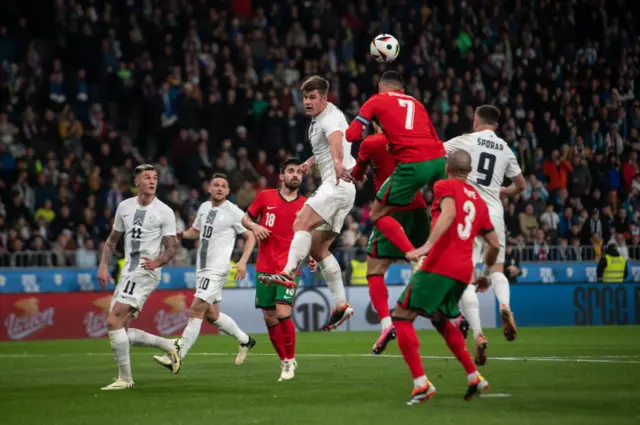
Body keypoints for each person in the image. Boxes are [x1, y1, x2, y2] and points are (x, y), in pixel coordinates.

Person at [395, 149, 499, 405]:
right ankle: (474, 376)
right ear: (470, 171)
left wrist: (426, 246)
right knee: (441, 320)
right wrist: (486, 274)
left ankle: (421, 384)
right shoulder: (479, 201)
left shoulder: (444, 185)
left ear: (447, 168)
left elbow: (449, 213)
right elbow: (494, 244)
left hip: (439, 265)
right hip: (464, 271)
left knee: (401, 316)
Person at [258, 76, 356, 331]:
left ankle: (288, 271)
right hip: (344, 188)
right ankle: (341, 304)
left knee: (300, 223)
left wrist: (337, 162)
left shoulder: (331, 117)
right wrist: (310, 163)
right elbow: (325, 145)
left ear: (325, 98)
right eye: (305, 97)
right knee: (317, 248)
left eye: (313, 97)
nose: (308, 102)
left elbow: (336, 139)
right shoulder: (317, 122)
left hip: (335, 184)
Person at [444, 105, 526, 365]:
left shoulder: (466, 139)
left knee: (466, 277)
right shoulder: (505, 148)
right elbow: (521, 185)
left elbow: (437, 151)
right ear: (497, 126)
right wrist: (504, 191)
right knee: (498, 269)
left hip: (468, 210)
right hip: (494, 212)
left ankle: (478, 334)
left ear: (476, 120)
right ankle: (504, 306)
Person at [153, 173, 257, 371]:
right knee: (212, 315)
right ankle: (245, 340)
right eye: (216, 185)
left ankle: (177, 355)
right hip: (202, 269)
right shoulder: (203, 208)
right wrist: (182, 234)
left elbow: (250, 235)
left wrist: (243, 262)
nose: (219, 188)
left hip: (217, 269)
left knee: (195, 310)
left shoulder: (233, 211)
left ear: (227, 191)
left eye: (223, 186)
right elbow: (196, 232)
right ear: (209, 188)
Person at [345, 70, 446, 260]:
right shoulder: (417, 104)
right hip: (439, 161)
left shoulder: (376, 100)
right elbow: (434, 138)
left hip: (414, 166)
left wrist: (363, 130)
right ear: (403, 89)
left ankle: (413, 253)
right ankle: (437, 251)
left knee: (377, 214)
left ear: (380, 87)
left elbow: (351, 135)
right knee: (442, 208)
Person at [97, 164, 180, 390]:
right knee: (122, 329)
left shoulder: (164, 211)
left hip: (145, 271)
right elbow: (112, 240)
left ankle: (125, 379)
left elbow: (172, 247)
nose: (152, 181)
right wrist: (104, 265)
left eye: (155, 178)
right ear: (137, 182)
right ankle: (170, 345)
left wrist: (158, 262)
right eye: (147, 177)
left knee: (113, 321)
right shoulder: (124, 206)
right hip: (128, 272)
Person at [351, 122, 430, 355]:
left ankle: (386, 325)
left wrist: (356, 173)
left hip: (390, 208)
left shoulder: (371, 143)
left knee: (374, 269)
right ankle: (457, 317)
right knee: (433, 263)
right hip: (417, 206)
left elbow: (357, 174)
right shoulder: (410, 140)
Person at [241, 158, 312, 381]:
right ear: (281, 176)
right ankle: (283, 359)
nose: (295, 175)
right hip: (264, 266)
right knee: (270, 318)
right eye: (291, 171)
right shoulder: (265, 196)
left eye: (299, 172)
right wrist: (255, 226)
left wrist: (314, 255)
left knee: (283, 312)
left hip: (289, 268)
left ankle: (290, 362)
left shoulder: (307, 205)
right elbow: (246, 218)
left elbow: (313, 233)